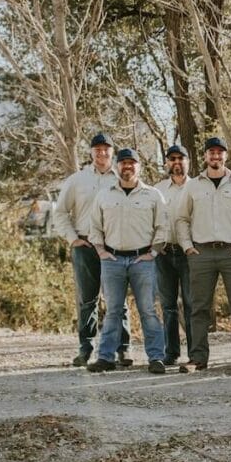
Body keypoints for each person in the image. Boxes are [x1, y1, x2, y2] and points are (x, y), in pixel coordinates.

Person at [174, 137, 231, 373]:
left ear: (225, 156)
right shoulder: (193, 186)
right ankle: (197, 358)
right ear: (204, 156)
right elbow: (181, 218)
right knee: (199, 308)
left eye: (220, 153)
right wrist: (187, 246)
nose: (215, 156)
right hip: (201, 253)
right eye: (211, 152)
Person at [52, 133, 131, 368]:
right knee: (87, 300)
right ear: (91, 152)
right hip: (85, 246)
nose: (102, 153)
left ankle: (123, 349)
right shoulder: (77, 180)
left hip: (113, 246)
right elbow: (60, 212)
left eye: (106, 149)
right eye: (97, 149)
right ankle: (85, 348)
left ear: (112, 151)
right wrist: (73, 239)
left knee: (118, 300)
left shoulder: (121, 179)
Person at [86, 148, 168, 374]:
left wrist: (152, 253)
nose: (127, 166)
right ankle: (105, 357)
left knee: (148, 311)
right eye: (123, 163)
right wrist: (101, 251)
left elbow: (163, 227)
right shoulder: (104, 195)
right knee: (112, 311)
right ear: (117, 166)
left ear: (139, 167)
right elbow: (95, 227)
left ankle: (156, 358)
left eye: (132, 163)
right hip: (112, 260)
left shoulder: (152, 195)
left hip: (143, 261)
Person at [154, 144, 193, 366]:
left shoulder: (197, 187)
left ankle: (195, 352)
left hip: (188, 252)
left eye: (181, 158)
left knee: (190, 303)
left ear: (187, 162)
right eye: (172, 159)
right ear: (167, 162)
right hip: (164, 252)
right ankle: (171, 352)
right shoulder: (157, 189)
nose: (176, 162)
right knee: (168, 305)